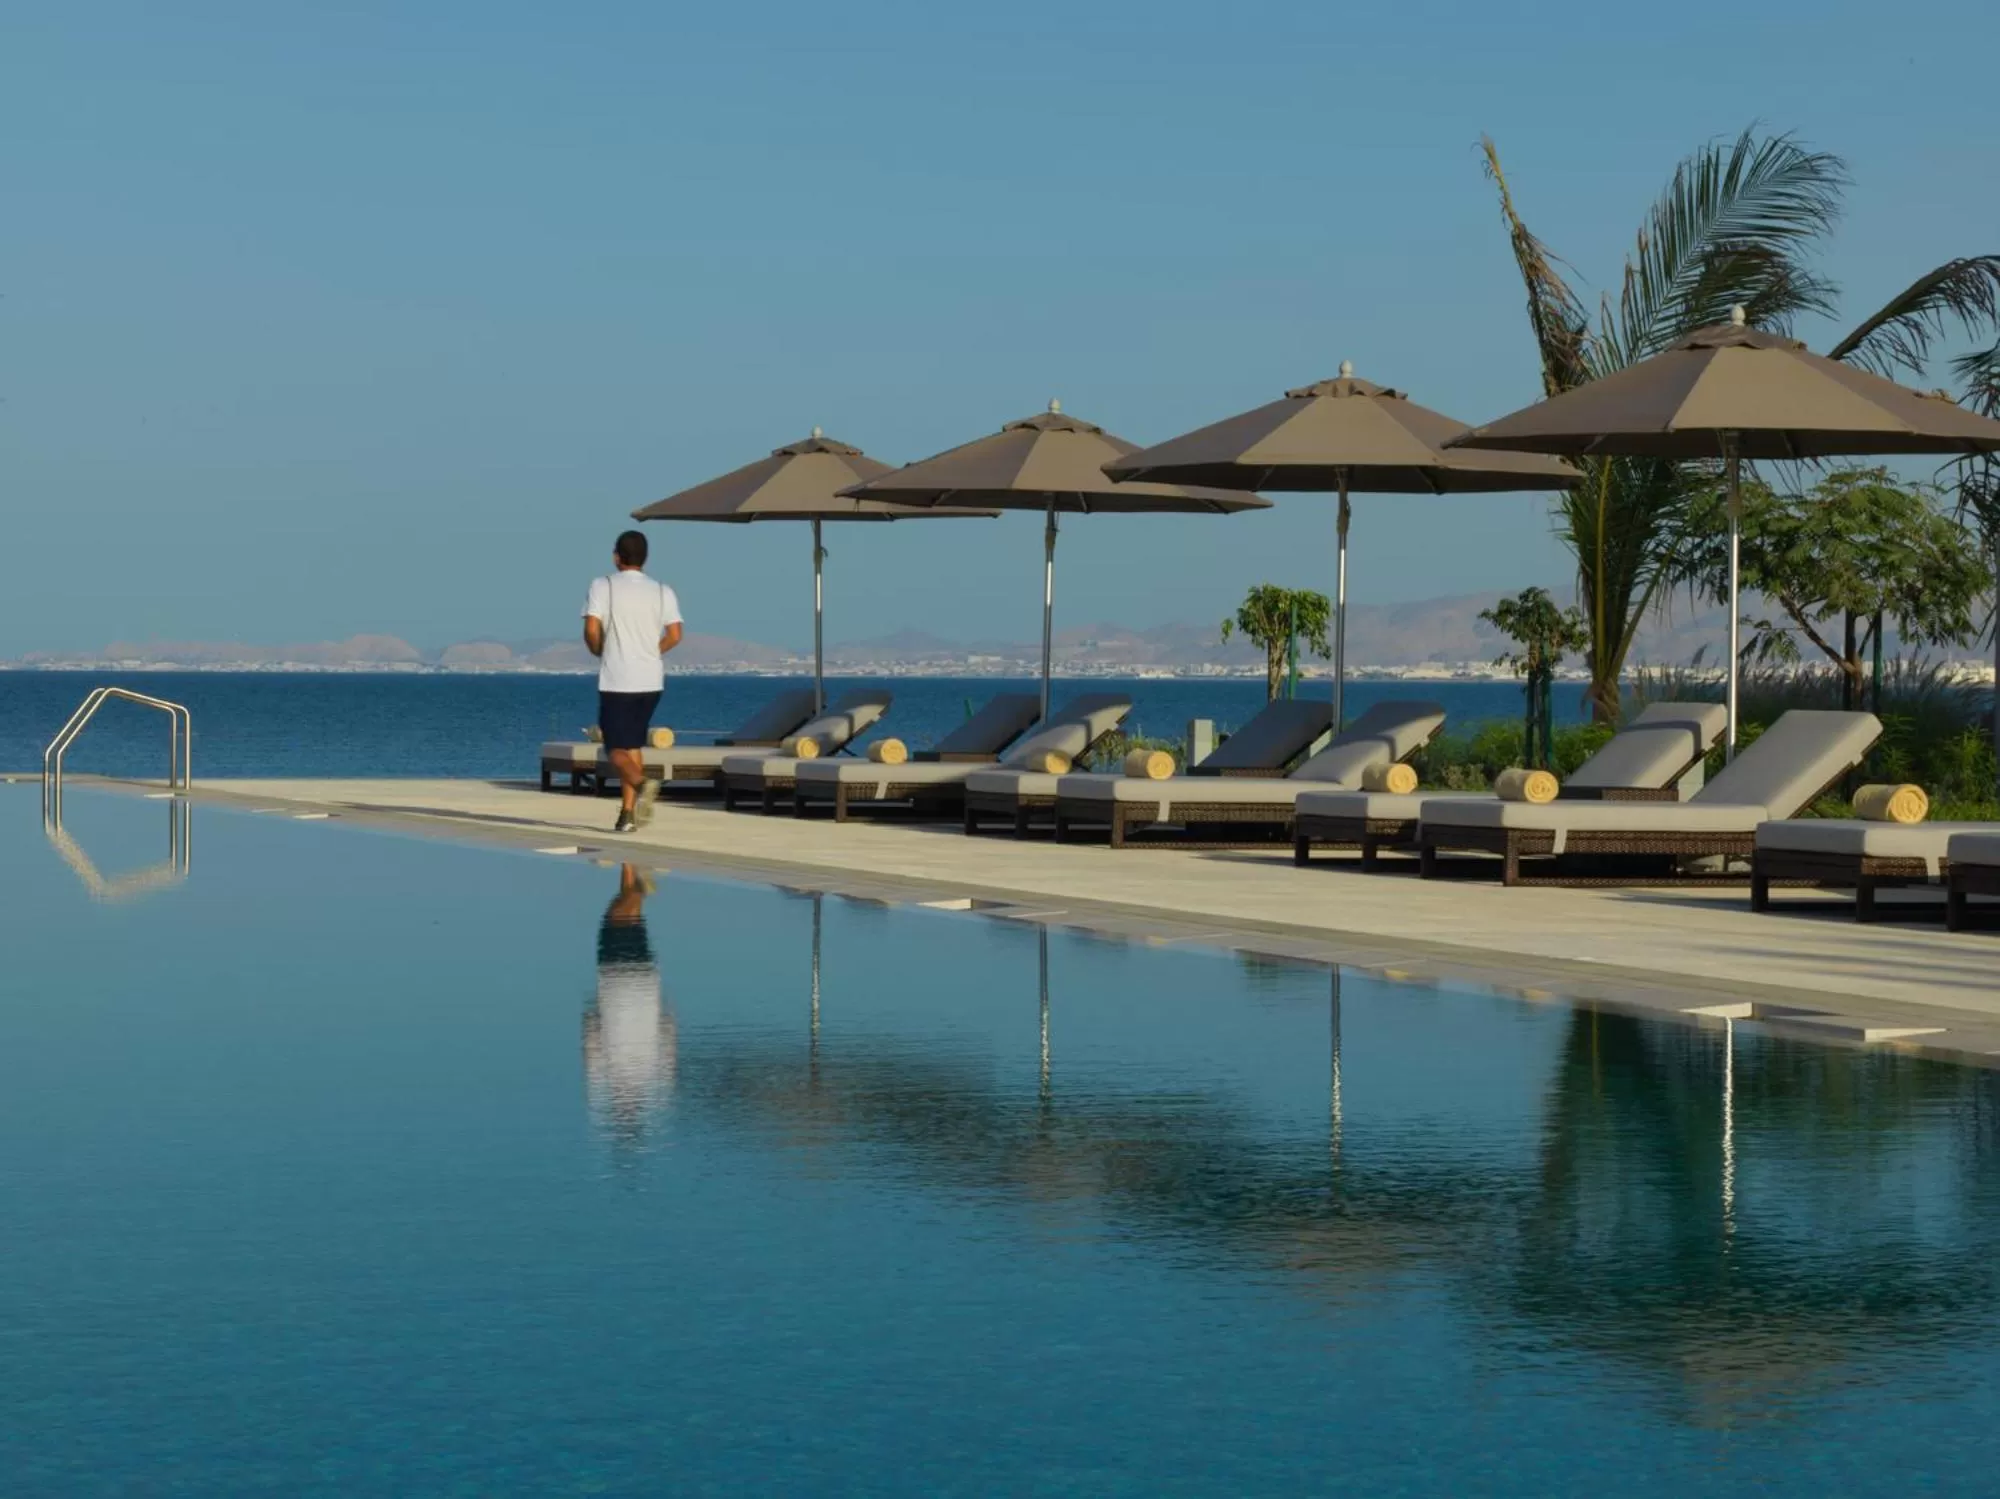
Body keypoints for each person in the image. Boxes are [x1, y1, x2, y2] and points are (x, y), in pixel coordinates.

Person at [582, 529, 684, 833]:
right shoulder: (663, 590)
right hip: (651, 681)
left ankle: (641, 784)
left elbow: (591, 629)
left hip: (618, 679)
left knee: (613, 747)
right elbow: (675, 635)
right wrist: (652, 652)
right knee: (633, 743)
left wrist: (599, 650)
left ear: (616, 556)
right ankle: (628, 815)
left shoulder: (603, 586)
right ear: (645, 558)